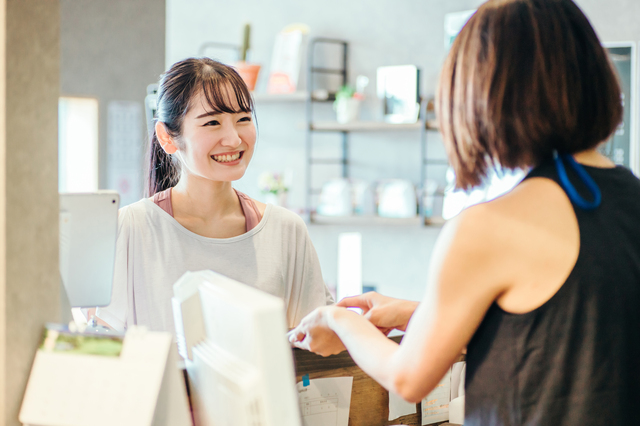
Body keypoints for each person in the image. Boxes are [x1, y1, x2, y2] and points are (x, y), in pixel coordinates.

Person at [288, 1, 640, 424]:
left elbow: (408, 377)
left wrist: (338, 320)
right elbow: (560, 328)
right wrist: (415, 312)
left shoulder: (491, 225)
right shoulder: (630, 196)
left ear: (479, 98)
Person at [96, 57, 332, 333]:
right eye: (212, 123)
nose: (233, 139)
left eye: (243, 119)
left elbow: (315, 349)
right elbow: (105, 347)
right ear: (167, 137)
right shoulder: (132, 227)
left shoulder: (286, 231)